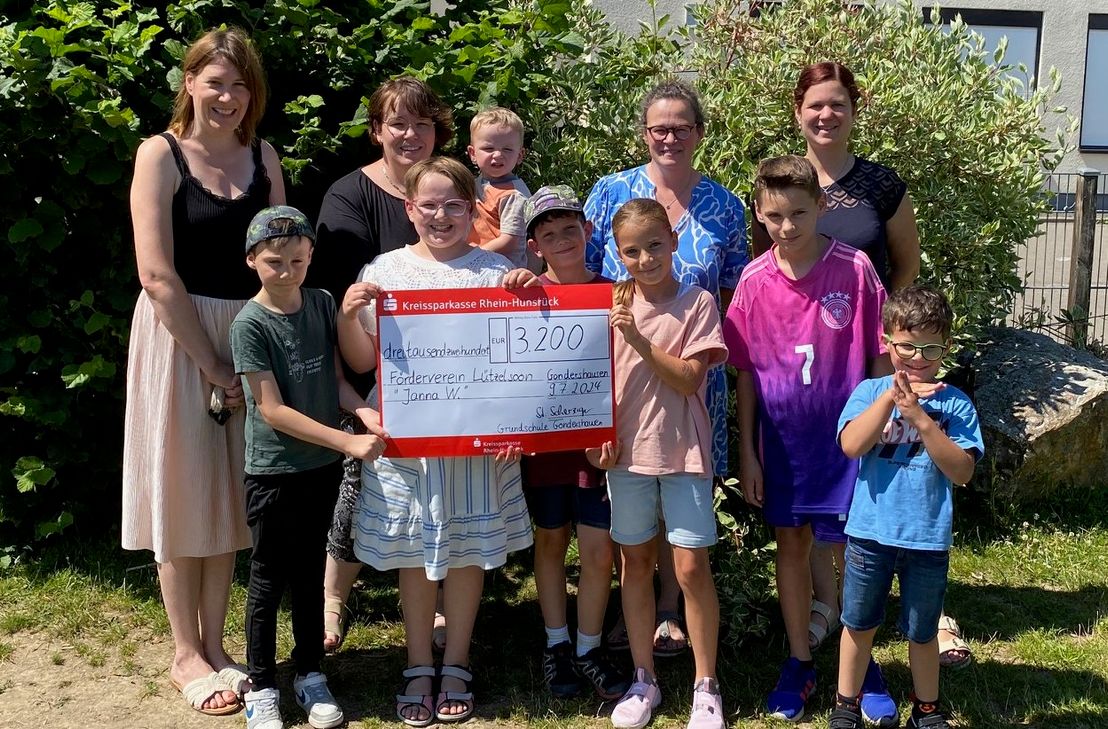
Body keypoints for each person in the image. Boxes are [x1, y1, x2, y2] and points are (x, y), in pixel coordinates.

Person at [122, 27, 285, 716]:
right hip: (178, 334)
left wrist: (253, 351)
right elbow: (156, 274)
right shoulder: (158, 155)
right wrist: (213, 362)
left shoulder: (264, 155)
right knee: (183, 492)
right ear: (189, 82)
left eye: (240, 85)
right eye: (216, 81)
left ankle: (219, 646)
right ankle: (184, 651)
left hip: (246, 337)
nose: (228, 96)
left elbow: (281, 254)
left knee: (228, 495)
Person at [338, 157, 533, 726]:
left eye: (454, 205)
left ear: (473, 210)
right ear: (410, 209)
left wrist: (531, 293)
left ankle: (457, 662)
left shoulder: (492, 274)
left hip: (474, 444)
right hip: (408, 441)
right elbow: (358, 362)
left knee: (468, 552)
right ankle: (418, 664)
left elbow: (522, 362)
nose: (441, 216)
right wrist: (351, 317)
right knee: (413, 553)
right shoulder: (385, 270)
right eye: (430, 205)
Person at [722, 156, 890, 723]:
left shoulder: (855, 269)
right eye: (774, 216)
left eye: (799, 213)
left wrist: (878, 428)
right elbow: (744, 371)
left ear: (821, 206)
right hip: (783, 446)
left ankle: (861, 662)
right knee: (791, 547)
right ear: (760, 215)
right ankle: (799, 660)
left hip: (845, 445)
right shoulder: (752, 280)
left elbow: (878, 356)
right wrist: (748, 451)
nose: (788, 226)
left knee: (852, 553)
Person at [585, 78, 747, 656]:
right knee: (633, 514)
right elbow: (581, 283)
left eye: (682, 127)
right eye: (659, 128)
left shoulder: (725, 206)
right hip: (620, 380)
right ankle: (636, 625)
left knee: (685, 520)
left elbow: (734, 292)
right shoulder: (608, 193)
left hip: (690, 377)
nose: (670, 137)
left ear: (699, 133)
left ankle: (672, 614)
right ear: (644, 133)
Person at [307, 77, 454, 654]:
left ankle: (438, 602)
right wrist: (348, 390)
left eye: (422, 124)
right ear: (377, 131)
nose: (411, 134)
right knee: (357, 482)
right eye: (398, 123)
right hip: (367, 370)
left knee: (446, 484)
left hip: (450, 372)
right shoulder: (349, 195)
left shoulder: (451, 188)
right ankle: (332, 598)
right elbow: (338, 299)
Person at [230, 206, 388, 729]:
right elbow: (270, 409)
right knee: (267, 579)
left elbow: (336, 380)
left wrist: (361, 409)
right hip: (275, 471)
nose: (287, 271)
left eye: (298, 259)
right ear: (252, 260)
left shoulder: (322, 303)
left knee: (307, 576)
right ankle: (261, 684)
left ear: (311, 256)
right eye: (275, 261)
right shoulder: (249, 324)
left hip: (320, 465)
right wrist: (348, 443)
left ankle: (309, 673)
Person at [601, 198, 728, 729]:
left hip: (684, 449)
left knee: (691, 566)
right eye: (632, 250)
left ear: (673, 241)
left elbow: (689, 378)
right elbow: (587, 379)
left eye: (654, 245)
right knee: (634, 564)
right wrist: (595, 437)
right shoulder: (608, 302)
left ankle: (706, 685)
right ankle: (643, 678)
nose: (646, 258)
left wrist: (637, 337)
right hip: (624, 453)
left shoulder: (698, 301)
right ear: (618, 254)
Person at [831, 286, 982, 729]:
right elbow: (852, 445)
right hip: (869, 534)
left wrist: (920, 418)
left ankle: (927, 708)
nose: (918, 358)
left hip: (927, 538)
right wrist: (890, 399)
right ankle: (845, 704)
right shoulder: (867, 392)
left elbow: (962, 471)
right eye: (907, 347)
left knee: (921, 629)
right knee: (858, 623)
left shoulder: (955, 404)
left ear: (946, 348)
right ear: (886, 341)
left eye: (931, 348)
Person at [515, 186, 630, 701]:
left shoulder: (616, 293)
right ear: (534, 243)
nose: (560, 239)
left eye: (569, 229)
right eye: (547, 232)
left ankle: (588, 647)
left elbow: (628, 373)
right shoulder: (522, 294)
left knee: (599, 549)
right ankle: (555, 645)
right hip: (543, 448)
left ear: (588, 232)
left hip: (598, 447)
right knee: (550, 541)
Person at [466, 107, 531, 269]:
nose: (497, 155)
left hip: (503, 269)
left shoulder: (514, 194)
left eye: (507, 149)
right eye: (488, 149)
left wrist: (472, 256)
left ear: (520, 155)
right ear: (473, 153)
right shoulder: (474, 183)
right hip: (478, 262)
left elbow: (509, 241)